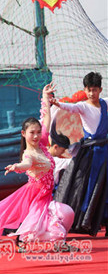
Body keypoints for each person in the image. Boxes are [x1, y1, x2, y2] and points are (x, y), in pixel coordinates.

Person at [0, 83, 75, 253]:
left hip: (46, 196)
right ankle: (25, 240)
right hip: (36, 196)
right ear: (23, 134)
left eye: (38, 132)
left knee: (64, 215)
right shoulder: (29, 154)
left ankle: (30, 239)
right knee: (54, 223)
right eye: (32, 133)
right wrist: (16, 167)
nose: (36, 136)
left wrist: (45, 96)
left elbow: (46, 119)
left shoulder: (43, 143)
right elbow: (26, 165)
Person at [51, 72, 107, 236]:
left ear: (100, 90)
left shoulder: (105, 104)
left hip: (105, 152)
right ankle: (82, 221)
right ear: (85, 90)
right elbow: (70, 107)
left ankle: (101, 221)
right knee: (84, 186)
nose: (92, 93)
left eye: (95, 90)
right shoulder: (83, 106)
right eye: (89, 90)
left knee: (104, 188)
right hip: (89, 153)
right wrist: (57, 103)